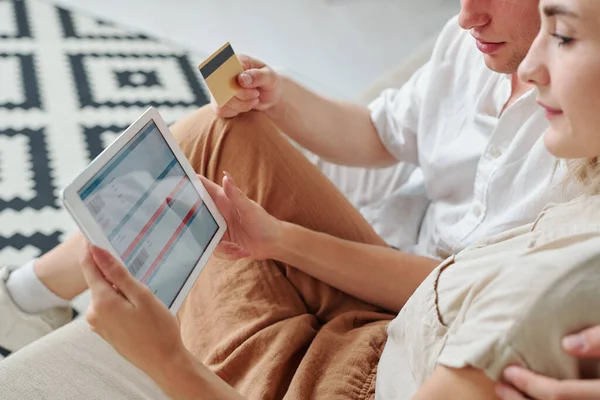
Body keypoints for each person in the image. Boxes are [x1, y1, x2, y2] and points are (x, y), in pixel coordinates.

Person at [6, 0, 598, 397]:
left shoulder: (566, 232)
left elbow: (451, 293)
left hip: (401, 316)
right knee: (221, 135)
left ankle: (27, 296)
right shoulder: (490, 63)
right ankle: (29, 291)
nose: (468, 15)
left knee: (194, 190)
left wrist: (167, 359)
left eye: (564, 32)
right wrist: (281, 98)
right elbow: (383, 131)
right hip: (409, 295)